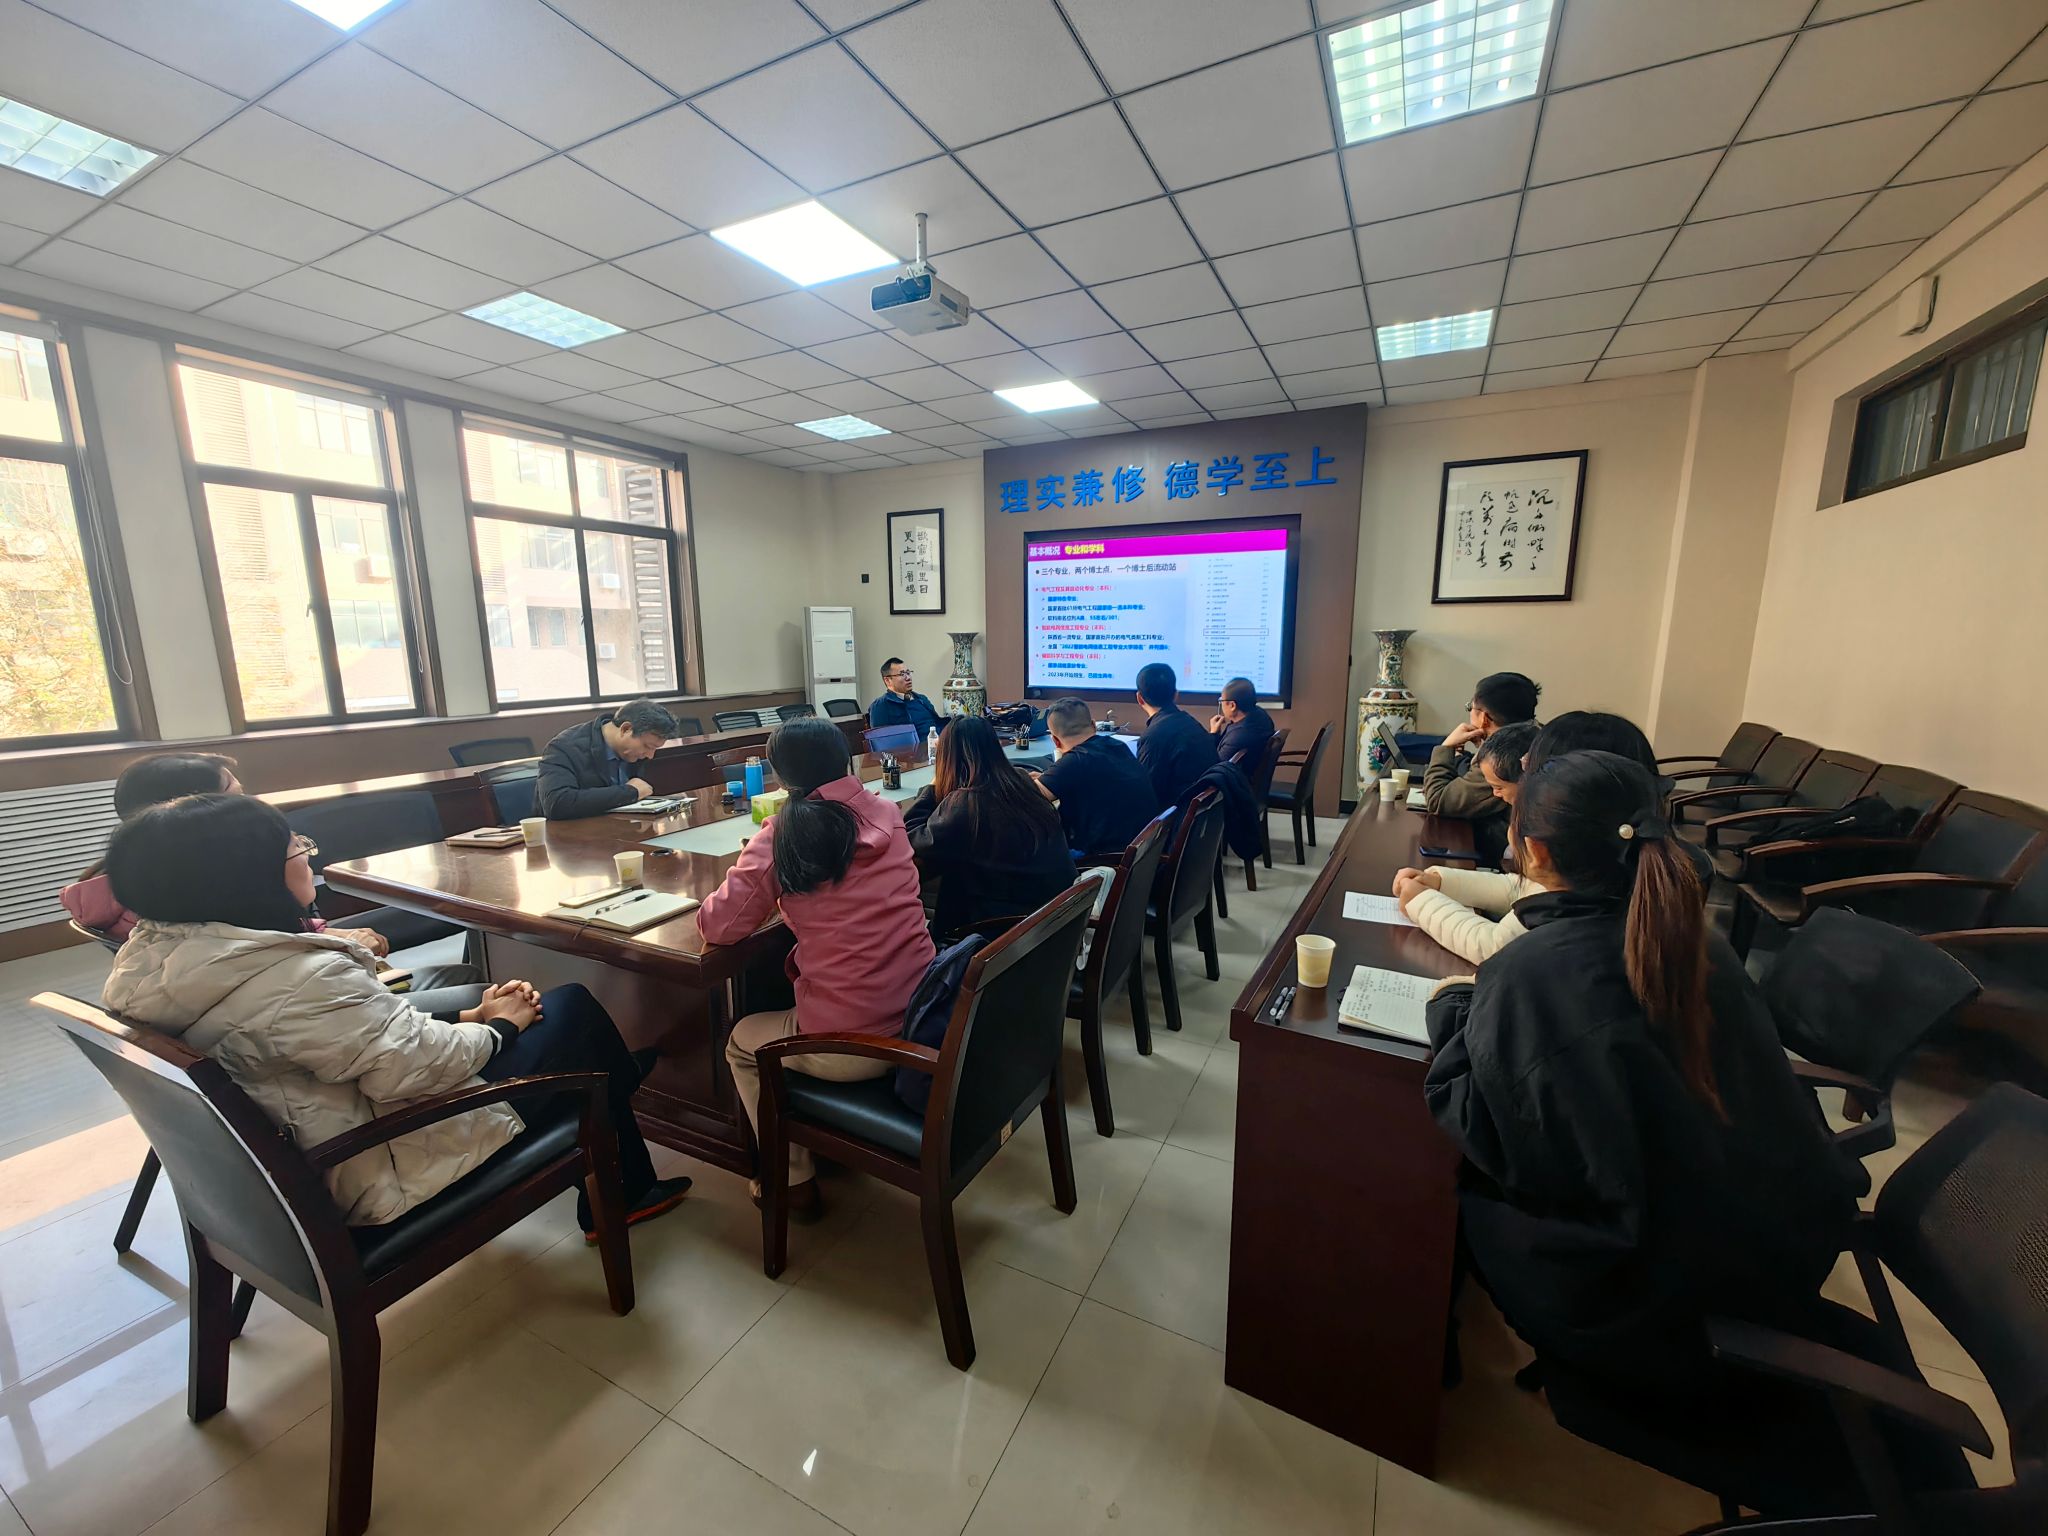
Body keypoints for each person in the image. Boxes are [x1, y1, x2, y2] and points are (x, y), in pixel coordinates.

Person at [1422, 751, 1855, 1398]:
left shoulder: (1535, 971)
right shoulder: (1694, 942)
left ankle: (1431, 1341)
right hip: (1768, 1257)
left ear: (1533, 852)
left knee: (1449, 1179)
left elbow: (1486, 1125)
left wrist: (1450, 1008)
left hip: (1652, 1305)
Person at [99, 794, 688, 1239]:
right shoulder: (295, 976)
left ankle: (613, 1084)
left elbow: (347, 1045)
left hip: (292, 1157)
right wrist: (499, 1025)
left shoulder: (149, 961)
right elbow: (412, 1072)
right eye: (295, 847)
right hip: (376, 1163)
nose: (307, 856)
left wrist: (469, 1017)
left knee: (565, 1032)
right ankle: (624, 1173)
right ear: (247, 876)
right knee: (572, 1012)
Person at [700, 718, 934, 1222]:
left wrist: (751, 860)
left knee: (741, 1042)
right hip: (923, 1014)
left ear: (781, 777)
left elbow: (718, 926)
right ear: (845, 759)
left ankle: (792, 1180)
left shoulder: (783, 835)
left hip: (849, 1045)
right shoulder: (886, 811)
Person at [62, 752, 484, 1008]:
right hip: (311, 996)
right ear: (193, 812)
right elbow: (255, 962)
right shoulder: (180, 889)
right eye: (235, 795)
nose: (251, 804)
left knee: (446, 911)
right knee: (453, 914)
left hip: (299, 977)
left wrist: (321, 936)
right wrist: (335, 944)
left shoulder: (140, 881)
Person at [903, 716, 1073, 939]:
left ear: (947, 758)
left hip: (1005, 934)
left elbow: (912, 837)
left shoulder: (966, 804)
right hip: (1053, 920)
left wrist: (932, 787)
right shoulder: (1021, 781)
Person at [1390, 722, 1544, 964]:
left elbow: (1493, 947)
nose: (1495, 794)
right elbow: (1518, 888)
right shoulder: (1555, 872)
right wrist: (1438, 881)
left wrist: (1421, 902)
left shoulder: (1565, 893)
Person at [1034, 695, 1160, 857]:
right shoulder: (1118, 747)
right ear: (1094, 725)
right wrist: (1051, 777)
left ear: (1055, 741)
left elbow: (1029, 796)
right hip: (1140, 855)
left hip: (1106, 859)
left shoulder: (1075, 761)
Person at [1422, 670, 1541, 819]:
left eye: (1469, 707)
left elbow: (1438, 801)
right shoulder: (1533, 735)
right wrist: (1459, 756)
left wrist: (1446, 747)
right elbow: (1472, 776)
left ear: (1484, 717)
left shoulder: (1503, 756)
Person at [536, 697, 677, 819]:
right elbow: (557, 803)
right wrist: (629, 792)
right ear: (625, 729)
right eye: (647, 746)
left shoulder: (634, 753)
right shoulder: (563, 748)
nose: (650, 755)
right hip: (573, 835)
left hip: (623, 829)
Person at [1133, 662, 1216, 809]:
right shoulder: (1190, 722)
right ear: (1176, 695)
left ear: (1139, 698)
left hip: (1175, 815)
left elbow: (1146, 794)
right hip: (1202, 812)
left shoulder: (1154, 736)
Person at [867, 657, 943, 736]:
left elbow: (938, 723)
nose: (908, 678)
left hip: (938, 740)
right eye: (902, 674)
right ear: (888, 680)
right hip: (916, 743)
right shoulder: (880, 706)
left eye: (908, 672)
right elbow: (879, 739)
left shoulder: (922, 699)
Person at [1208, 677, 1275, 764]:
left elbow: (1213, 765)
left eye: (1221, 700)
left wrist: (1213, 734)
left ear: (1232, 705)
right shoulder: (1260, 715)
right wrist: (1216, 733)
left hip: (1236, 772)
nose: (1221, 704)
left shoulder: (1237, 738)